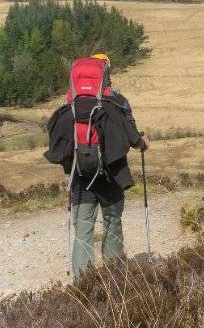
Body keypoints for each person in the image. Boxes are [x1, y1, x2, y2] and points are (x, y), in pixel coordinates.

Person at [42, 59, 141, 276]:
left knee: (83, 230)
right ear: (104, 76)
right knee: (112, 222)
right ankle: (115, 278)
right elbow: (133, 138)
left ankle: (82, 284)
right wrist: (143, 143)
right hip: (110, 178)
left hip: (81, 179)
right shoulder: (116, 104)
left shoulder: (69, 109)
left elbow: (57, 146)